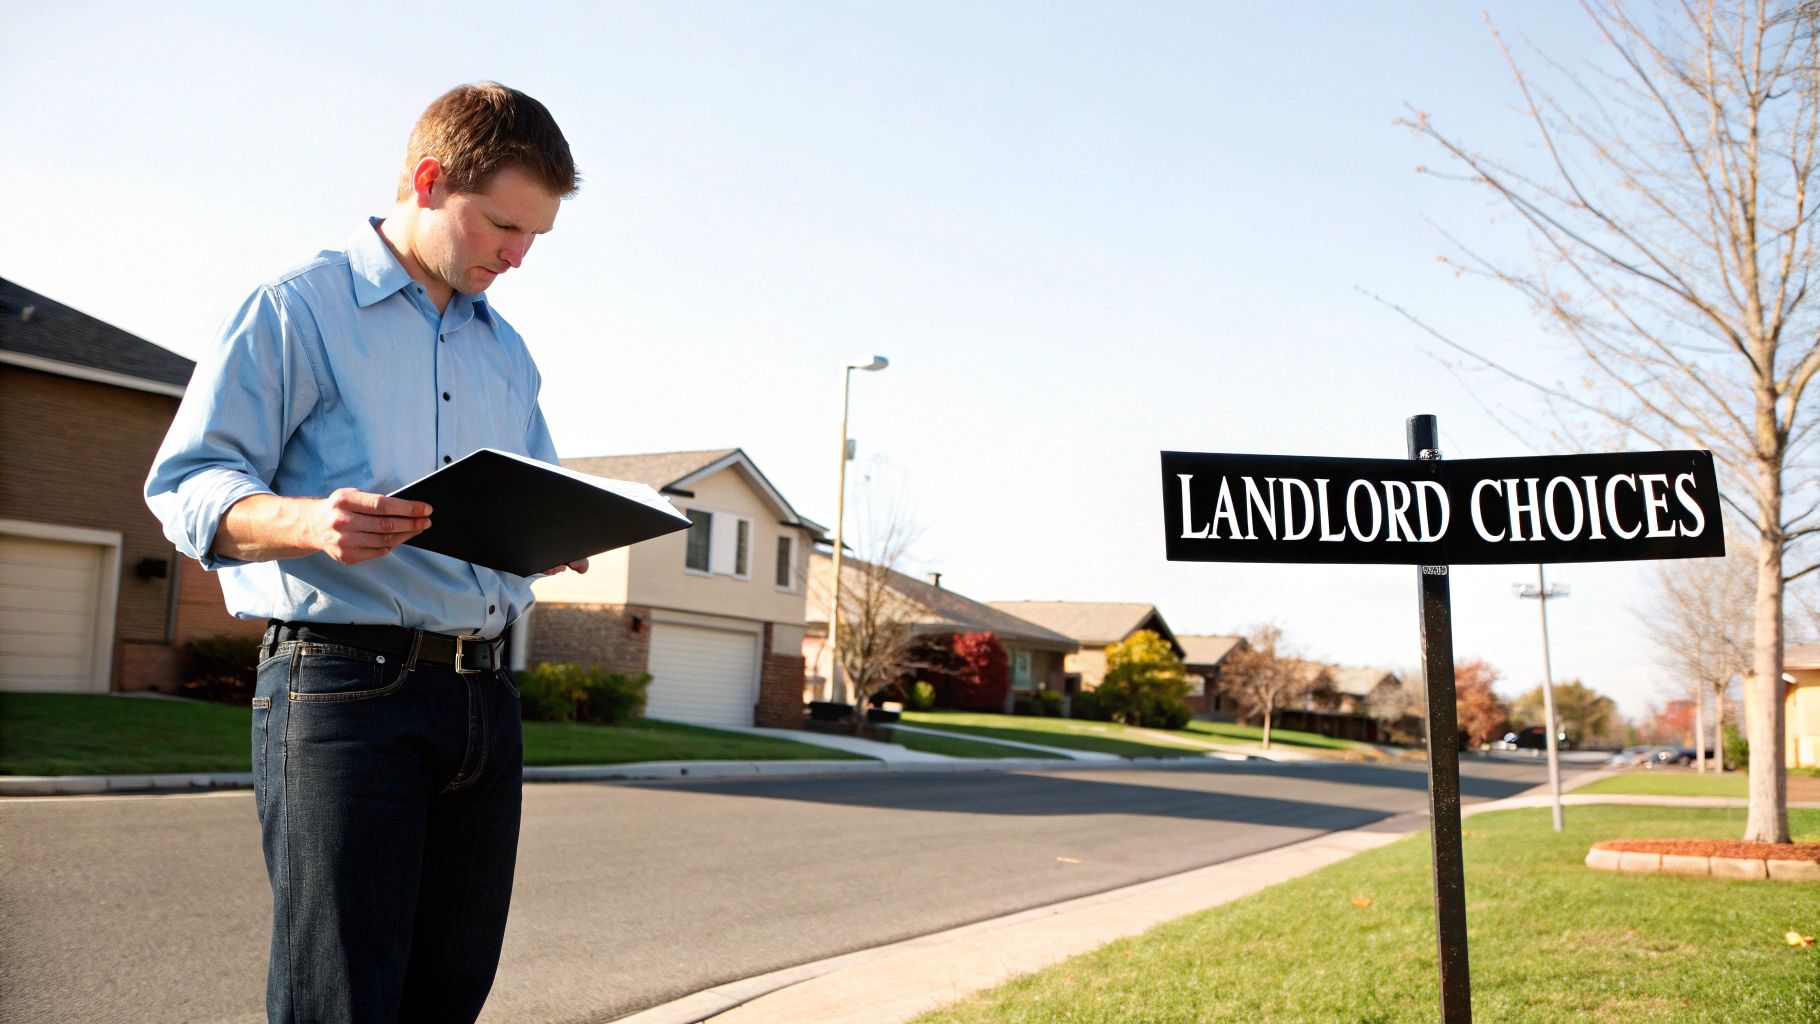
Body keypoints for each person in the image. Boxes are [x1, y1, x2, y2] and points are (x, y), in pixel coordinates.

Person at [145, 82, 586, 1024]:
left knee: (448, 997)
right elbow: (187, 484)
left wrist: (552, 536)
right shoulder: (294, 311)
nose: (517, 257)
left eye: (535, 240)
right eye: (503, 227)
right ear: (428, 181)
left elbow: (526, 483)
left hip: (484, 701)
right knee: (341, 1000)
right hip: (346, 693)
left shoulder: (505, 351)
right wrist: (307, 523)